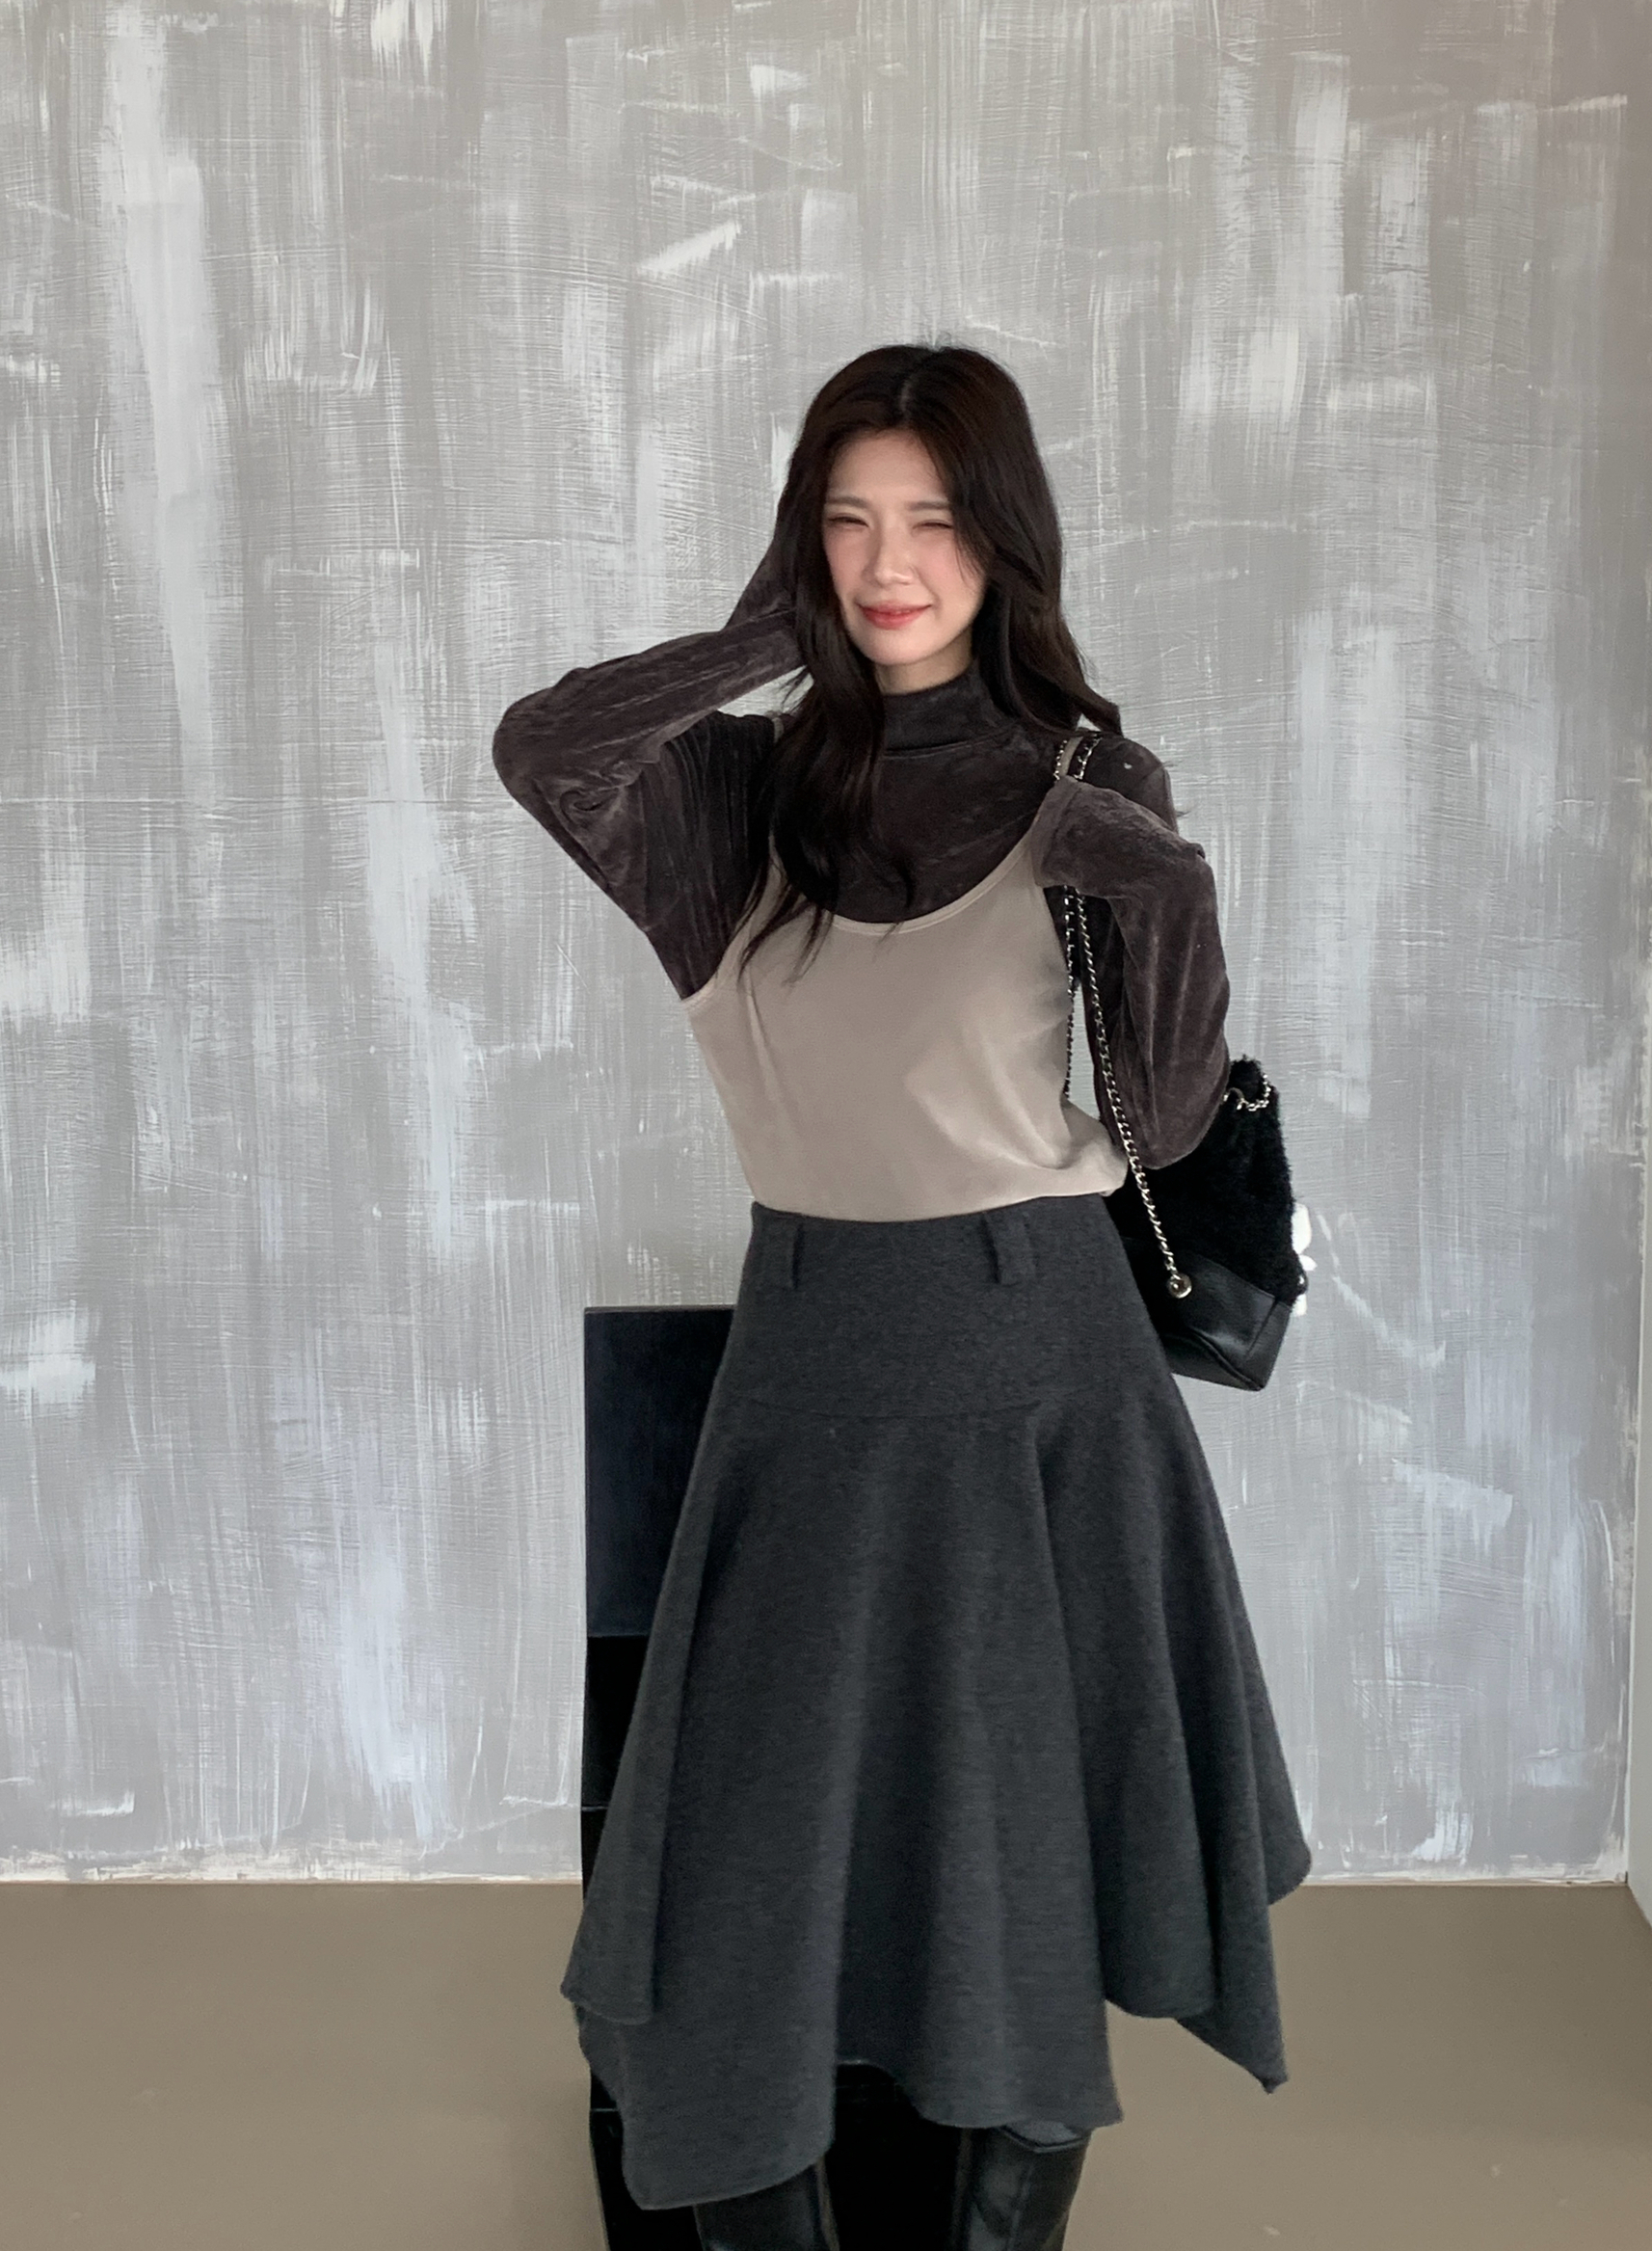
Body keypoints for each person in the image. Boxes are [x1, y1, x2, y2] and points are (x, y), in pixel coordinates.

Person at [492, 343, 1312, 2250]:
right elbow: (545, 749)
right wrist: (759, 636)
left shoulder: (1090, 788)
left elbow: (1166, 1112)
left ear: (1001, 542)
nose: (890, 563)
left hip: (1053, 1373)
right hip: (819, 1371)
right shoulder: (732, 796)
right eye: (848, 522)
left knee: (1027, 1845)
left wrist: (1161, 887)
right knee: (741, 1865)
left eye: (933, 520)